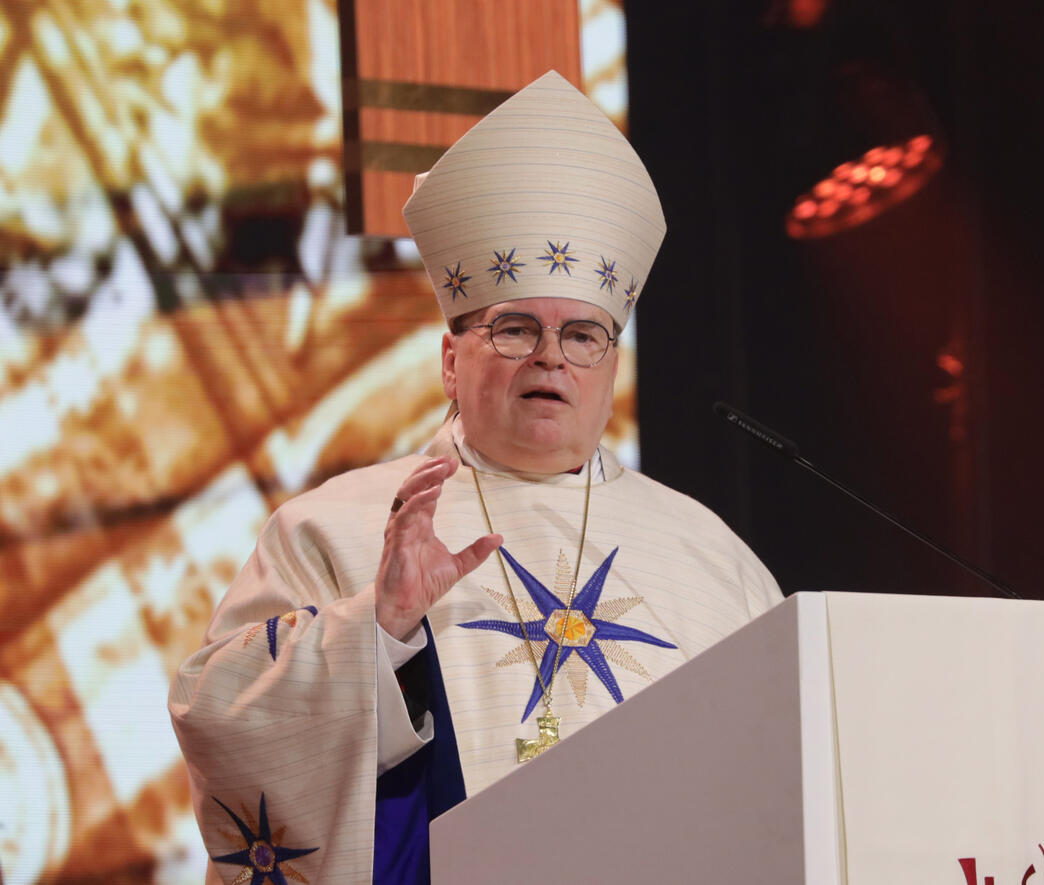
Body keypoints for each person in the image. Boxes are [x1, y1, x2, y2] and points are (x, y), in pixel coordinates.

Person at [169, 71, 782, 885]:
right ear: (450, 360)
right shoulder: (334, 528)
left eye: (583, 335)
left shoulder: (709, 553)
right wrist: (377, 628)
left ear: (612, 367)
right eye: (516, 327)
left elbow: (783, 759)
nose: (551, 358)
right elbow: (218, 715)